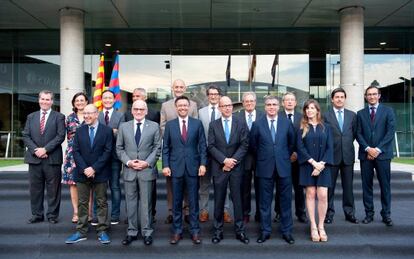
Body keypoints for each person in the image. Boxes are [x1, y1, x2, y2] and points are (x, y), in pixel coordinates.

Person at [250, 95, 295, 244]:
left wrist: (281, 156)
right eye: (268, 104)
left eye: (274, 104)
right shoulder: (257, 124)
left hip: (283, 167)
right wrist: (266, 156)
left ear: (278, 106)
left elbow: (291, 143)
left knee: (286, 201)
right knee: (264, 202)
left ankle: (287, 231)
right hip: (264, 167)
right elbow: (253, 146)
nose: (271, 107)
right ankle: (265, 231)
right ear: (265, 106)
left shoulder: (287, 123)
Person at [65, 104, 113, 244]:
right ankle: (81, 231)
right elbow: (76, 151)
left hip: (100, 172)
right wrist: (85, 168)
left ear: (96, 114)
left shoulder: (107, 131)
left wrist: (94, 168)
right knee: (82, 203)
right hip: (82, 172)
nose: (86, 116)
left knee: (101, 202)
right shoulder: (79, 131)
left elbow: (107, 152)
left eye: (89, 113)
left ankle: (102, 231)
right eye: (84, 113)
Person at [162, 96, 207, 245]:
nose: (182, 108)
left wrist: (203, 164)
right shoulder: (170, 125)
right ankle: (177, 231)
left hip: (193, 168)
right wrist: (165, 165)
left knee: (193, 201)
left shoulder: (197, 124)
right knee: (176, 202)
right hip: (175, 168)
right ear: (176, 108)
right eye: (179, 105)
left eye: (185, 105)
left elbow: (202, 146)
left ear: (189, 107)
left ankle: (194, 231)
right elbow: (166, 148)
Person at [117, 100, 161, 246]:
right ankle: (131, 231)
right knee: (130, 203)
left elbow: (157, 148)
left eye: (141, 109)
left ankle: (147, 232)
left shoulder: (154, 126)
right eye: (136, 109)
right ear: (132, 110)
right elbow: (119, 148)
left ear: (146, 111)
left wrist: (146, 162)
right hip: (129, 170)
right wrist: (129, 162)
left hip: (146, 170)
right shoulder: (124, 127)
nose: (138, 111)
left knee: (146, 203)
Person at [208, 96, 249, 244]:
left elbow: (245, 145)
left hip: (236, 168)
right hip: (220, 168)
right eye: (224, 106)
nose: (227, 108)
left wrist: (232, 161)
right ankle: (218, 231)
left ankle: (240, 231)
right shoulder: (213, 125)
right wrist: (224, 160)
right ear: (219, 108)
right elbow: (211, 146)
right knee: (219, 200)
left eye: (229, 105)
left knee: (238, 200)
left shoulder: (241, 123)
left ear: (232, 107)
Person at [22, 90, 66, 224]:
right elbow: (26, 135)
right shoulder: (31, 116)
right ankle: (37, 214)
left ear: (52, 101)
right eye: (42, 99)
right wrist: (36, 150)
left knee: (53, 189)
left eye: (48, 99)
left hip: (52, 158)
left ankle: (52, 215)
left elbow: (60, 136)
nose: (45, 102)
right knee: (35, 189)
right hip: (34, 158)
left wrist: (45, 149)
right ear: (38, 100)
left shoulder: (59, 116)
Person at [356, 85, 396, 227]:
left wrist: (377, 149)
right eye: (369, 94)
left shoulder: (388, 111)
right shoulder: (360, 114)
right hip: (365, 155)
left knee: (385, 185)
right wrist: (368, 149)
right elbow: (358, 133)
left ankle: (386, 214)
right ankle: (369, 214)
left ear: (379, 96)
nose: (372, 96)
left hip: (383, 154)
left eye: (374, 94)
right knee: (367, 186)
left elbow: (390, 132)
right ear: (366, 97)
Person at [160, 79, 198, 224]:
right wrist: (172, 137)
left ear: (185, 88)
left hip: (189, 151)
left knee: (189, 183)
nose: (179, 89)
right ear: (172, 88)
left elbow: (196, 125)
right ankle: (171, 211)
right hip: (173, 149)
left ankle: (188, 211)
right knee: (171, 184)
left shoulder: (193, 104)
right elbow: (162, 125)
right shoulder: (165, 105)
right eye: (176, 87)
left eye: (181, 86)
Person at [297, 99, 333, 242]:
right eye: (307, 108)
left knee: (323, 195)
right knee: (311, 193)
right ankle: (313, 225)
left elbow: (330, 147)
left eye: (312, 108)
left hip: (323, 166)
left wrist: (321, 165)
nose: (309, 110)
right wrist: (313, 163)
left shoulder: (326, 127)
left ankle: (321, 225)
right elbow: (300, 148)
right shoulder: (301, 128)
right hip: (307, 165)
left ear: (318, 110)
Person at [198, 85, 233, 223]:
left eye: (216, 94)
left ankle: (225, 210)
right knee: (204, 184)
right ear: (207, 96)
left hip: (222, 155)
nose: (213, 96)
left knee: (224, 184)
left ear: (219, 96)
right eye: (211, 94)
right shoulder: (201, 112)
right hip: (205, 154)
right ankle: (204, 211)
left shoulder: (225, 110)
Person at [125, 87, 160, 223]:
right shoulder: (127, 116)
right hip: (131, 165)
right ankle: (131, 223)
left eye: (138, 96)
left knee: (149, 197)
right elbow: (123, 142)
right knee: (131, 198)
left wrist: (147, 162)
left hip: (148, 165)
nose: (135, 98)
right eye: (133, 96)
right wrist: (129, 161)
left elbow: (156, 143)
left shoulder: (155, 115)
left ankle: (150, 220)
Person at [324, 88, 358, 224]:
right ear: (332, 99)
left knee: (348, 187)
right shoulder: (326, 115)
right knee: (329, 187)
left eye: (342, 97)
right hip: (331, 156)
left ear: (345, 99)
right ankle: (328, 213)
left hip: (348, 156)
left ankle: (349, 213)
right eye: (336, 97)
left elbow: (354, 133)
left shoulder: (352, 115)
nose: (339, 99)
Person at [274, 92, 308, 224]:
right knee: (280, 187)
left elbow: (305, 138)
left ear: (295, 103)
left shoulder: (302, 118)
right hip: (281, 159)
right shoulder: (277, 116)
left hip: (298, 160)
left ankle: (301, 212)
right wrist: (286, 154)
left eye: (292, 100)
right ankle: (279, 212)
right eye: (286, 100)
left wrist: (297, 153)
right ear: (282, 103)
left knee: (299, 188)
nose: (289, 102)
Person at [95, 90, 125, 225]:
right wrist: (111, 131)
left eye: (110, 98)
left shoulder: (120, 116)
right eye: (105, 98)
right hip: (98, 157)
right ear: (101, 100)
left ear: (114, 100)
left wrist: (109, 132)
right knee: (99, 187)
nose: (107, 100)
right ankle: (98, 215)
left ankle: (115, 215)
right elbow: (94, 134)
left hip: (114, 157)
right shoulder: (97, 115)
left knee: (115, 186)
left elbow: (121, 135)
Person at [62, 92, 92, 223]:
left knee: (88, 183)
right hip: (72, 154)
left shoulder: (91, 116)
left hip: (88, 153)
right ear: (74, 103)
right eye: (77, 101)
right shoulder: (69, 118)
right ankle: (76, 212)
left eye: (82, 100)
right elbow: (67, 136)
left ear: (86, 102)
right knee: (73, 184)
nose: (79, 102)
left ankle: (88, 213)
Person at [235, 91, 263, 223]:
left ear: (255, 102)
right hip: (244, 159)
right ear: (243, 103)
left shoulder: (263, 116)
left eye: (252, 101)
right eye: (247, 101)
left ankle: (260, 213)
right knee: (244, 188)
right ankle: (245, 213)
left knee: (261, 188)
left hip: (261, 159)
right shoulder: (237, 117)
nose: (249, 103)